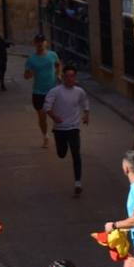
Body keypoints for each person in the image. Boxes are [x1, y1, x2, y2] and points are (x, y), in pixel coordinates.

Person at [43, 66, 91, 196]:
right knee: (62, 153)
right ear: (63, 77)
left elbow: (84, 102)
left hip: (74, 128)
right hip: (60, 129)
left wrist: (86, 114)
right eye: (67, 76)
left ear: (75, 78)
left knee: (76, 154)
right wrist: (54, 117)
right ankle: (61, 148)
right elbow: (47, 106)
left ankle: (78, 183)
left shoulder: (79, 91)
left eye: (72, 76)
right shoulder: (55, 91)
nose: (70, 79)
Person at [24, 34, 63, 149]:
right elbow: (26, 75)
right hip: (38, 92)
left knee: (56, 115)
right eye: (38, 41)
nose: (40, 44)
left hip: (52, 91)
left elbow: (58, 65)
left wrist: (59, 74)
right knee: (42, 117)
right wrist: (29, 74)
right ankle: (45, 136)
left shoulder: (52, 55)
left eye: (42, 41)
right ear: (35, 43)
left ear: (46, 42)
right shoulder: (31, 59)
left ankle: (59, 134)